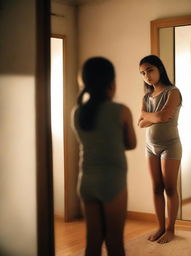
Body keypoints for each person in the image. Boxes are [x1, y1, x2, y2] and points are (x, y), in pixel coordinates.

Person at [72, 57, 137, 256]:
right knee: (114, 242)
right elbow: (131, 144)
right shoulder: (121, 111)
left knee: (93, 241)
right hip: (112, 182)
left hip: (87, 182)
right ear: (111, 82)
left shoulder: (78, 113)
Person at [138, 55, 182, 244]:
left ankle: (171, 229)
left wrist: (149, 116)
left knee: (170, 188)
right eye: (142, 73)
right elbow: (140, 123)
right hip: (150, 146)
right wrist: (152, 116)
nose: (146, 75)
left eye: (149, 70)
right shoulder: (146, 96)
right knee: (156, 187)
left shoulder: (173, 92)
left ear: (159, 69)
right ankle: (160, 227)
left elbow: (164, 117)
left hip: (170, 145)